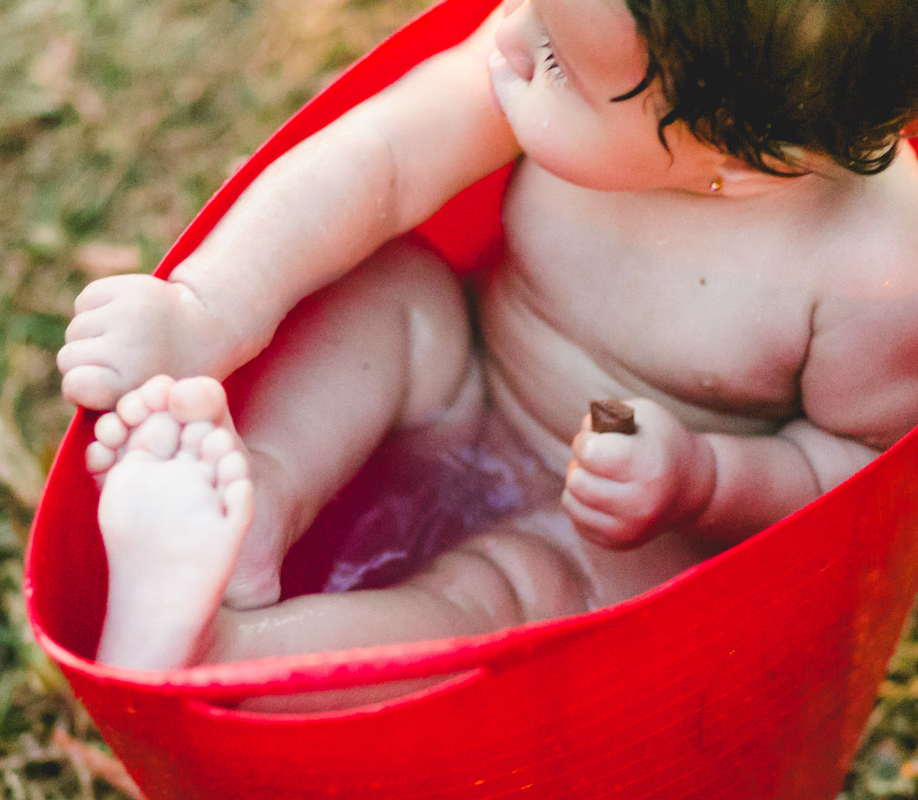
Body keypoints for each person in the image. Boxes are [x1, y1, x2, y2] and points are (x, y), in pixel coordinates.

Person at [56, 0, 918, 695]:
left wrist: (704, 480)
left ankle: (223, 655)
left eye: (557, 60)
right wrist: (208, 310)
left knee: (514, 610)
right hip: (470, 368)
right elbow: (380, 159)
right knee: (396, 289)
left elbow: (853, 479)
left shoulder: (877, 276)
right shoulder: (561, 44)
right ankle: (258, 501)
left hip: (607, 521)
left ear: (736, 156)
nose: (504, 33)